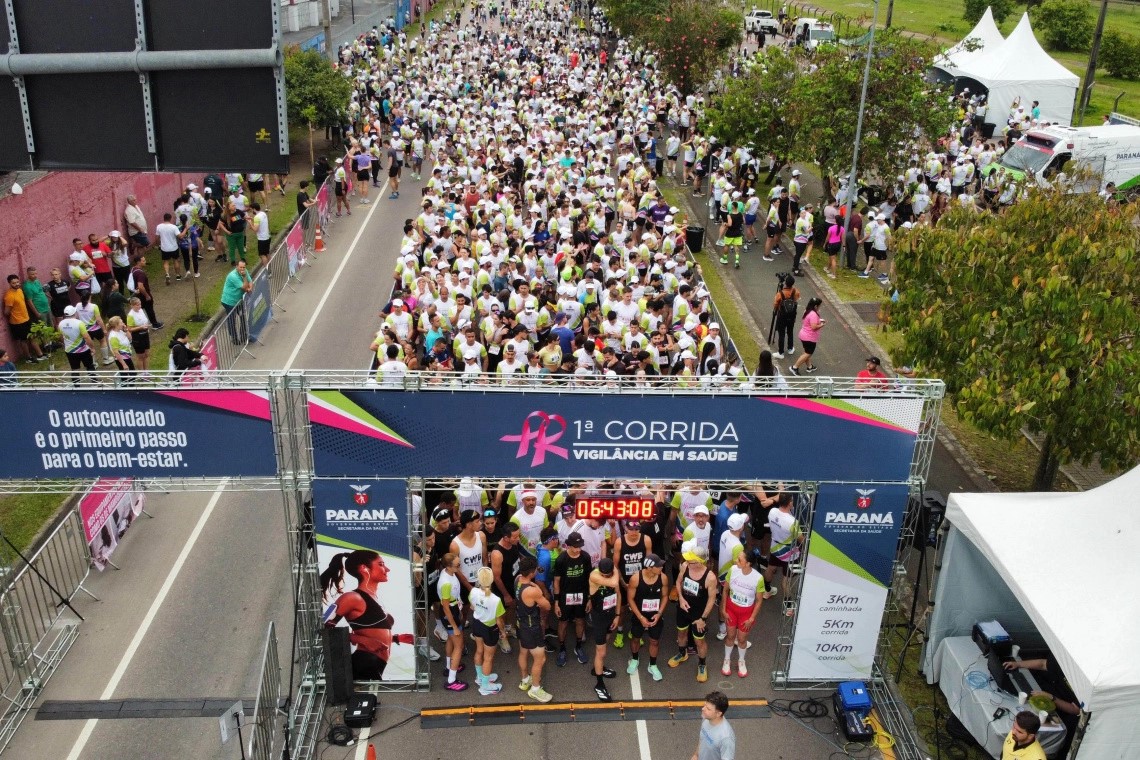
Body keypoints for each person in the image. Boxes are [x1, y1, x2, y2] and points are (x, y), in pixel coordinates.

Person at [322, 549, 414, 681]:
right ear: (364, 568)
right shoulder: (352, 597)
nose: (387, 569)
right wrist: (362, 640)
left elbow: (372, 632)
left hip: (376, 665)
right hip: (364, 663)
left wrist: (396, 638)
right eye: (381, 564)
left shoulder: (374, 597)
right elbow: (323, 628)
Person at [670, 541, 718, 682]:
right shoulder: (685, 566)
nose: (687, 561)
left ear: (699, 561)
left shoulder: (710, 577)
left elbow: (711, 599)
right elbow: (678, 582)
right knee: (681, 633)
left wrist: (703, 618)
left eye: (691, 560)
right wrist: (681, 598)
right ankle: (682, 653)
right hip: (683, 609)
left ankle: (702, 664)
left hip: (698, 614)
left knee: (699, 641)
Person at [721, 548, 766, 678]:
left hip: (746, 613)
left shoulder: (758, 578)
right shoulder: (733, 570)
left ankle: (741, 661)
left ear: (748, 563)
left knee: (741, 639)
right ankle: (727, 659)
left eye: (740, 559)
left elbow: (758, 600)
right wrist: (723, 610)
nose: (736, 561)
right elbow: (725, 591)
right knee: (730, 636)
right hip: (731, 609)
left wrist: (752, 618)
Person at [516, 555, 554, 702]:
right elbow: (547, 605)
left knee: (523, 652)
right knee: (540, 659)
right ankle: (535, 689)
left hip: (520, 622)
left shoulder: (517, 579)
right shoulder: (532, 590)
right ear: (532, 573)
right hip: (532, 627)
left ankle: (525, 680)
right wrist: (538, 588)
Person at [627, 553, 670, 681]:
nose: (661, 568)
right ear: (650, 567)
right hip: (639, 615)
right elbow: (630, 598)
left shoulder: (663, 578)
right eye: (659, 566)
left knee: (654, 641)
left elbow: (665, 596)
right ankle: (635, 659)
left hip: (655, 615)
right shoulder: (635, 579)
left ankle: (652, 664)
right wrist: (640, 617)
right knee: (635, 638)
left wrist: (659, 613)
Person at [552, 530, 592, 667]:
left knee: (580, 620)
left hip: (581, 595)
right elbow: (556, 581)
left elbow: (589, 579)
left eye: (580, 546)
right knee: (563, 622)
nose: (578, 549)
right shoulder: (561, 560)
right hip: (565, 596)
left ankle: (578, 646)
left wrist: (590, 598)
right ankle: (562, 648)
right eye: (575, 547)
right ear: (568, 545)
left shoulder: (585, 557)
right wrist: (556, 602)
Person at [468, 566, 507, 696]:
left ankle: (480, 677)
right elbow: (499, 620)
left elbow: (472, 607)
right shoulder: (496, 600)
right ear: (491, 581)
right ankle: (485, 686)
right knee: (488, 658)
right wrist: (503, 632)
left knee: (479, 651)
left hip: (477, 624)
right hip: (490, 628)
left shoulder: (473, 591)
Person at [587, 557, 621, 700]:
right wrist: (615, 571)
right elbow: (614, 582)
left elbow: (618, 595)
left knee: (604, 646)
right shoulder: (594, 575)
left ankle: (598, 668)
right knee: (601, 652)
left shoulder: (612, 574)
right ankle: (599, 684)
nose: (604, 577)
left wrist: (617, 615)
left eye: (606, 575)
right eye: (603, 575)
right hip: (599, 618)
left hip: (610, 614)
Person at [436, 552, 468, 691]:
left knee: (451, 640)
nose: (459, 567)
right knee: (459, 646)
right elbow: (446, 607)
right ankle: (451, 680)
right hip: (449, 613)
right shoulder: (446, 583)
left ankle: (449, 667)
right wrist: (454, 625)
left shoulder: (448, 573)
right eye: (457, 565)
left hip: (453, 609)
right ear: (448, 566)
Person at [763, 492, 803, 603]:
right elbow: (801, 539)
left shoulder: (772, 511)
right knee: (786, 579)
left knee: (770, 568)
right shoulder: (792, 522)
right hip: (789, 552)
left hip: (775, 546)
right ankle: (789, 604)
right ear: (790, 503)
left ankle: (767, 590)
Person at [4, 274, 45, 363]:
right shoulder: (9, 296)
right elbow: (6, 312)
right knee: (24, 340)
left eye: (17, 282)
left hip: (26, 318)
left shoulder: (19, 290)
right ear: (9, 283)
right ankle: (28, 358)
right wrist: (15, 314)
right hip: (17, 322)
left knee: (32, 336)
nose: (17, 284)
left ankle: (40, 354)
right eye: (14, 283)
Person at [58, 305, 97, 383]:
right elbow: (86, 337)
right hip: (83, 350)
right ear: (74, 313)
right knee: (89, 366)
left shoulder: (60, 324)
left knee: (74, 368)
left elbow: (61, 336)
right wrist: (92, 348)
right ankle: (95, 382)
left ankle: (76, 386)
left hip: (69, 350)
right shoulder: (79, 323)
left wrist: (65, 344)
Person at [692, 691, 736, 760]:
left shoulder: (726, 738)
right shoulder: (706, 719)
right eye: (704, 705)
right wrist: (696, 755)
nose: (703, 709)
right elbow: (702, 739)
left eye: (708, 709)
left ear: (718, 714)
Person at [220, 260, 253, 345]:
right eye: (241, 267)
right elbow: (244, 287)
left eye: (244, 267)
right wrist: (245, 280)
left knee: (243, 316)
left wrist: (250, 288)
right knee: (232, 319)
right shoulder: (233, 276)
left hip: (238, 301)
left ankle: (243, 335)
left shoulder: (245, 272)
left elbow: (250, 281)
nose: (242, 269)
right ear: (237, 267)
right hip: (229, 301)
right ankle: (234, 337)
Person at [790, 297, 825, 375]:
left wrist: (819, 321)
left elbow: (809, 322)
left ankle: (810, 366)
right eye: (819, 306)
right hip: (809, 337)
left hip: (803, 335)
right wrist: (822, 325)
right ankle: (794, 367)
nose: (820, 307)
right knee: (808, 353)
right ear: (816, 306)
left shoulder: (807, 311)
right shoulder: (813, 314)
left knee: (806, 352)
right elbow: (814, 327)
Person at [771, 275, 798, 359]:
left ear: (785, 283)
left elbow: (775, 304)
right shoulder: (796, 291)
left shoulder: (780, 294)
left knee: (781, 333)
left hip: (782, 316)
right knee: (790, 331)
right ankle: (790, 348)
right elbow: (796, 300)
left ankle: (781, 352)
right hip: (792, 315)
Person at [125, 296, 152, 373]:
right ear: (132, 305)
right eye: (137, 305)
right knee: (141, 356)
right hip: (137, 337)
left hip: (145, 334)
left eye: (140, 304)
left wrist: (146, 325)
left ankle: (146, 371)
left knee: (146, 354)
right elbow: (129, 329)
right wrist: (140, 327)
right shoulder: (130, 315)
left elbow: (145, 320)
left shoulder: (141, 310)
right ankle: (142, 373)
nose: (139, 306)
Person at [155, 212, 182, 284]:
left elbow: (157, 238)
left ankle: (167, 273)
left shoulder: (159, 227)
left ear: (164, 219)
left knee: (166, 262)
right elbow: (179, 236)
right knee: (176, 261)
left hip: (164, 248)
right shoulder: (173, 227)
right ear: (170, 219)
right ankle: (178, 275)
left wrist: (159, 245)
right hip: (174, 247)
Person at [251, 203, 272, 269]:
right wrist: (252, 219)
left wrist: (250, 223)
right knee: (267, 253)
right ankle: (271, 267)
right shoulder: (263, 213)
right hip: (267, 236)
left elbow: (255, 229)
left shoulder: (257, 217)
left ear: (254, 209)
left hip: (262, 239)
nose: (252, 211)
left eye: (252, 209)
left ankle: (267, 269)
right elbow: (260, 222)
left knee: (262, 255)